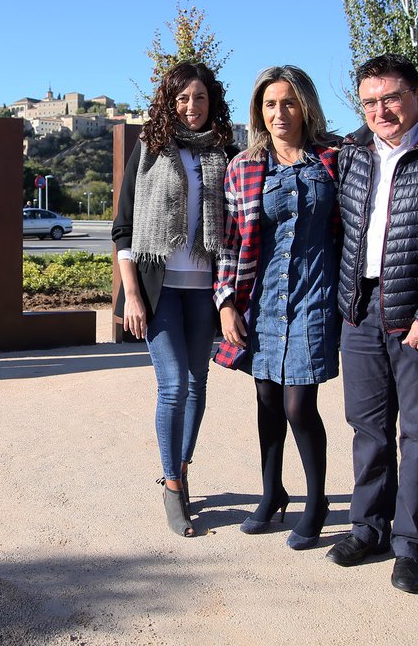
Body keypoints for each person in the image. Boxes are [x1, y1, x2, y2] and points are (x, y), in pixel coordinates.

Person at [330, 54, 418, 593]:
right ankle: (368, 527)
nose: (381, 110)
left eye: (392, 97)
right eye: (370, 101)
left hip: (415, 311)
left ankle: (412, 544)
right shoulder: (352, 151)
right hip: (359, 310)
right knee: (367, 429)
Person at [214, 65, 340, 549]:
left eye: (288, 102)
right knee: (266, 399)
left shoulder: (334, 158)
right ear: (258, 112)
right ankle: (272, 493)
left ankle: (317, 500)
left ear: (304, 105)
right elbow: (229, 242)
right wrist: (226, 304)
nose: (279, 113)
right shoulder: (244, 166)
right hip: (262, 298)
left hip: (315, 296)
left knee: (298, 403)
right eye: (270, 104)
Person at [113, 61, 235, 537]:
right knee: (174, 387)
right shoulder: (149, 150)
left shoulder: (224, 152)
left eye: (199, 97)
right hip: (158, 290)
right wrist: (132, 296)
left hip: (205, 290)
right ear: (170, 101)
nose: (191, 107)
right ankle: (171, 485)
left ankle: (181, 468)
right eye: (182, 98)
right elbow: (123, 228)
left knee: (199, 384)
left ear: (212, 101)